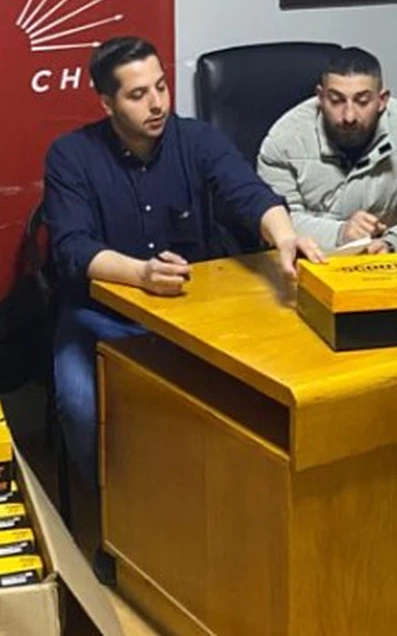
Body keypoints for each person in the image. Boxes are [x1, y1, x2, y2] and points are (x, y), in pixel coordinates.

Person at [42, 35, 324, 490]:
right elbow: (72, 248)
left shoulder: (197, 139)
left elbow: (250, 194)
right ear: (107, 103)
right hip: (99, 317)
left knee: (243, 406)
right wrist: (141, 274)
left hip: (190, 316)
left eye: (161, 87)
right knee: (80, 409)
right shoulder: (71, 155)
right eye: (138, 95)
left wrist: (285, 237)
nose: (157, 104)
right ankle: (114, 508)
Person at [256, 47, 397, 254]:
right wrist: (340, 234)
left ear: (382, 100)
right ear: (320, 97)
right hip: (310, 261)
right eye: (336, 100)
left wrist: (392, 244)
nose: (349, 116)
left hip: (392, 261)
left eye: (362, 101)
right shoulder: (284, 140)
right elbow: (277, 222)